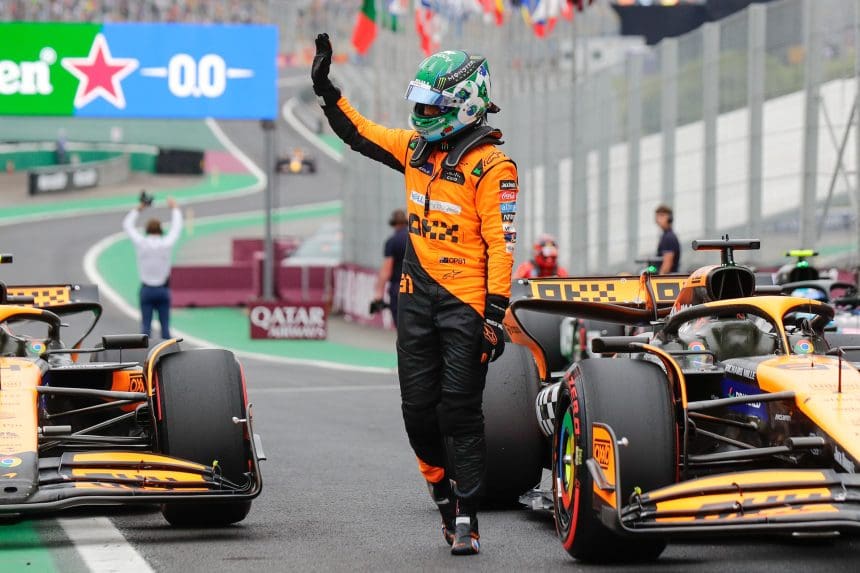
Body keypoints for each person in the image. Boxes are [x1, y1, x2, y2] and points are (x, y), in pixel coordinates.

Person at [312, 33, 518, 556]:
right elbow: (361, 134)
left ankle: (467, 511)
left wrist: (495, 314)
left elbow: (501, 243)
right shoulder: (414, 148)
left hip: (467, 303)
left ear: (464, 104)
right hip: (416, 298)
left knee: (459, 411)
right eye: (420, 104)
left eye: (434, 105)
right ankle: (442, 494)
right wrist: (327, 91)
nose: (423, 113)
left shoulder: (494, 166)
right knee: (416, 412)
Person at [123, 196, 183, 340]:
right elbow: (176, 228)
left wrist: (140, 208)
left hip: (147, 290)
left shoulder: (141, 243)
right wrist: (175, 208)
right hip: (163, 290)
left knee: (145, 329)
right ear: (161, 230)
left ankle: (144, 358)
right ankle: (168, 357)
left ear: (147, 230)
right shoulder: (166, 244)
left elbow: (127, 225)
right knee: (165, 329)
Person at [370, 209, 408, 323]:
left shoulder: (392, 242)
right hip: (418, 289)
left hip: (399, 288)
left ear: (393, 223)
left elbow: (386, 270)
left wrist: (378, 295)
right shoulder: (416, 238)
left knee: (401, 329)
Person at [654, 204, 680, 274]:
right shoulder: (665, 236)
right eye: (657, 216)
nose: (658, 219)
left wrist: (658, 280)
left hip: (668, 281)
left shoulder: (669, 237)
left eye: (662, 215)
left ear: (670, 218)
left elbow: (667, 264)